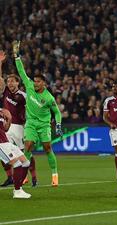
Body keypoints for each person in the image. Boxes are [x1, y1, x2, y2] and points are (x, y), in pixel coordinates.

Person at [13, 41, 63, 186]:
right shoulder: (29, 86)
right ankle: (23, 175)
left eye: (38, 82)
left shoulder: (48, 98)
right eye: (34, 81)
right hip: (31, 123)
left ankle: (54, 174)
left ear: (44, 84)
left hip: (44, 125)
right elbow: (21, 71)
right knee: (27, 146)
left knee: (47, 148)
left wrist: (58, 125)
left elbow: (57, 112)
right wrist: (16, 56)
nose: (34, 83)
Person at [0, 50, 37, 187]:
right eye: (8, 81)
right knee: (4, 154)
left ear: (18, 83)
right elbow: (0, 81)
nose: (10, 84)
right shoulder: (5, 93)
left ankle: (33, 177)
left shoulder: (23, 96)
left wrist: (30, 124)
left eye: (12, 81)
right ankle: (10, 177)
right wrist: (1, 64)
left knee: (26, 154)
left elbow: (30, 111)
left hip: (20, 127)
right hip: (7, 127)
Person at [0, 107, 31, 198]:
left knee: (26, 162)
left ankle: (19, 188)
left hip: (6, 142)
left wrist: (9, 120)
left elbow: (5, 129)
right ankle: (17, 192)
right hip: (0, 145)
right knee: (17, 164)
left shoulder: (2, 112)